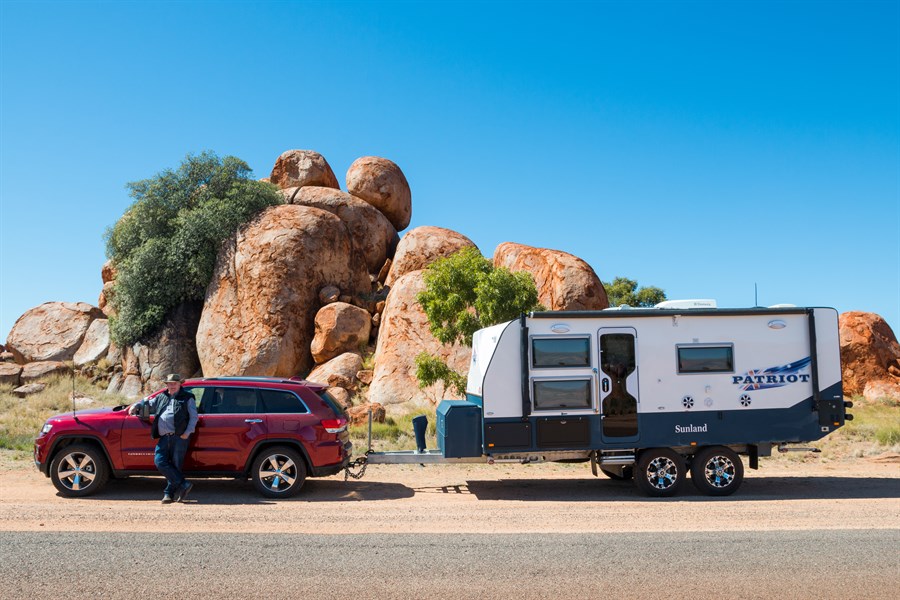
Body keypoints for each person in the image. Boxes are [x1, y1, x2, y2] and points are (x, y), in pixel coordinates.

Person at [129, 373, 198, 503]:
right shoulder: (161, 397)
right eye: (169, 384)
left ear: (180, 384)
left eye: (174, 383)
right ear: (166, 385)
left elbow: (194, 417)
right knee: (160, 461)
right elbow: (148, 403)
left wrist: (187, 433)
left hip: (179, 437)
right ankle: (184, 484)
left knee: (176, 465)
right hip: (164, 437)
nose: (172, 386)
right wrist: (136, 405)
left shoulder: (188, 397)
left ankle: (168, 494)